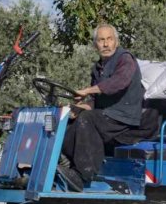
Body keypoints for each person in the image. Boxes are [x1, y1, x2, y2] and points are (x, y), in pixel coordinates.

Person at [58, 24, 146, 192]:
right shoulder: (97, 68)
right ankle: (64, 161)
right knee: (67, 120)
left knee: (88, 120)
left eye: (109, 39)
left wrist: (88, 91)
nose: (105, 44)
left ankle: (82, 175)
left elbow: (118, 83)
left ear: (116, 41)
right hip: (106, 115)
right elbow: (95, 101)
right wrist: (77, 108)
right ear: (95, 45)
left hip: (124, 117)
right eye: (101, 40)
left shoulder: (125, 59)